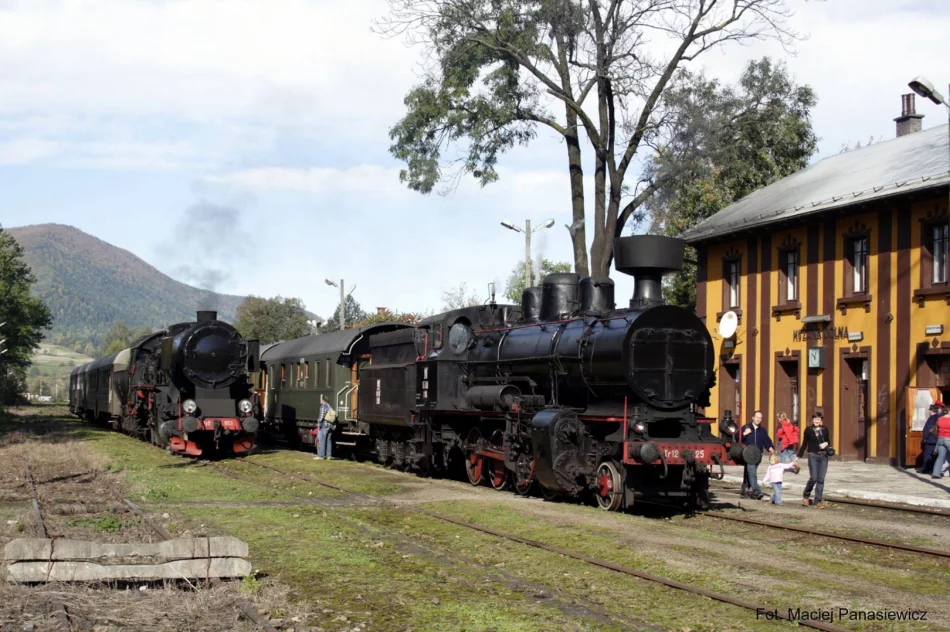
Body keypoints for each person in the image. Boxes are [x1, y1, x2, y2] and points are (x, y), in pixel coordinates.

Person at [798, 411, 832, 509]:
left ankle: (818, 501)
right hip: (812, 455)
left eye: (819, 419)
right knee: (814, 477)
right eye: (815, 419)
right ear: (812, 419)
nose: (817, 421)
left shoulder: (825, 429)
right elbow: (804, 443)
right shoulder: (808, 430)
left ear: (821, 420)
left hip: (823, 455)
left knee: (821, 479)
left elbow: (828, 441)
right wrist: (799, 455)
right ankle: (806, 495)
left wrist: (826, 445)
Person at [740, 410, 775, 500]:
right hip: (748, 454)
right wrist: (744, 434)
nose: (758, 419)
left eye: (760, 418)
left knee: (750, 473)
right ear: (753, 417)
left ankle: (744, 490)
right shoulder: (746, 427)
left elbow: (766, 440)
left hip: (758, 455)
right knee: (752, 472)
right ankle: (756, 491)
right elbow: (737, 437)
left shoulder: (762, 430)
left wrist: (770, 447)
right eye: (757, 417)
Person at [918, 402, 945, 474]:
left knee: (928, 455)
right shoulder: (943, 416)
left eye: (930, 410)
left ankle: (926, 469)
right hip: (939, 439)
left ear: (933, 410)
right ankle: (935, 470)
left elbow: (927, 429)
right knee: (938, 456)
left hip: (931, 439)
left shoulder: (933, 418)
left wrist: (925, 438)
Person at [929, 405, 950, 479]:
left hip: (940, 439)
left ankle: (936, 473)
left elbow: (937, 429)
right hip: (949, 439)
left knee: (940, 457)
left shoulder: (940, 419)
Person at [315, 395, 336, 461]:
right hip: (331, 426)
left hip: (325, 425)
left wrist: (318, 422)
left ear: (323, 400)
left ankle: (321, 456)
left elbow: (321, 416)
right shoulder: (330, 406)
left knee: (322, 440)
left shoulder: (323, 406)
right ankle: (328, 456)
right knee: (328, 440)